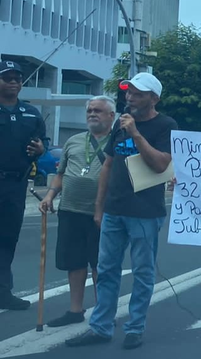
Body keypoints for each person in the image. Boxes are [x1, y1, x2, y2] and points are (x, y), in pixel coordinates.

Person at [66, 72, 177, 350]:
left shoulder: (165, 125)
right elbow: (108, 165)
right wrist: (99, 207)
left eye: (137, 94)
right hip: (114, 209)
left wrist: (136, 133)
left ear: (154, 98)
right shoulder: (119, 124)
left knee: (142, 271)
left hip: (145, 212)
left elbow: (161, 164)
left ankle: (135, 326)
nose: (130, 98)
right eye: (128, 93)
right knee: (106, 270)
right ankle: (101, 326)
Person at [39, 96, 116, 326]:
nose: (92, 114)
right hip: (70, 210)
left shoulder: (119, 141)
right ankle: (75, 310)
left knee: (100, 264)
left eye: (98, 111)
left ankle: (103, 313)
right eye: (90, 110)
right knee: (75, 262)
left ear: (111, 116)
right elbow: (61, 173)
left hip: (103, 213)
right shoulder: (73, 141)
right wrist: (50, 195)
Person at [0, 60, 46, 310]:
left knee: (7, 240)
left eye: (17, 78)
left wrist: (41, 149)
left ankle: (3, 292)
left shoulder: (31, 113)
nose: (14, 82)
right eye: (7, 77)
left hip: (15, 185)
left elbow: (43, 142)